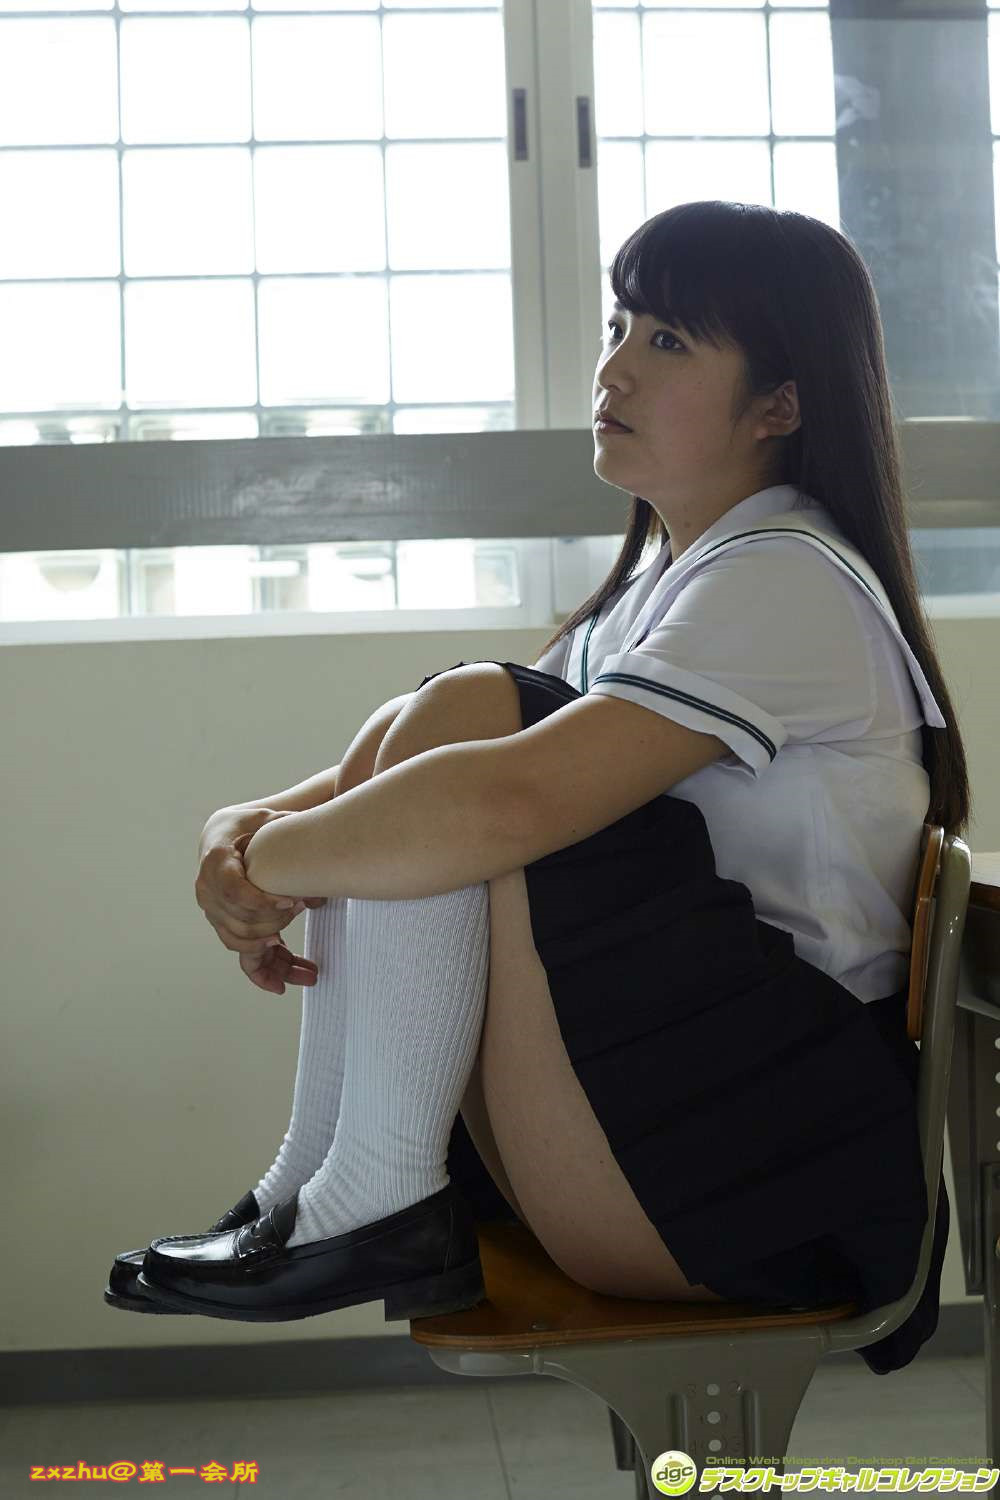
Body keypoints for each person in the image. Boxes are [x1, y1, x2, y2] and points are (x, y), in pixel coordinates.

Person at [108, 201, 969, 1375]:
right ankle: (321, 1182)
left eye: (668, 340)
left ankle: (368, 1196)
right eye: (619, 327)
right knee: (444, 719)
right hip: (667, 1124)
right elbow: (421, 767)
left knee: (471, 723)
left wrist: (271, 868)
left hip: (777, 1168)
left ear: (779, 404)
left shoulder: (790, 575)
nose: (614, 366)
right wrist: (241, 830)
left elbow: (502, 803)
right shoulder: (656, 591)